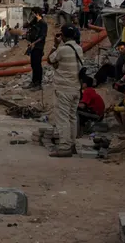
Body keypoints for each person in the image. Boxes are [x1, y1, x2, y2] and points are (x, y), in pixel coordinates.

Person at [47, 24, 84, 157]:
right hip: (76, 88)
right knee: (72, 117)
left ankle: (64, 147)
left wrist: (55, 45)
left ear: (62, 36)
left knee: (62, 118)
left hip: (63, 89)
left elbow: (50, 59)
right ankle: (72, 144)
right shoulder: (79, 49)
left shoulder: (62, 50)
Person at [26, 7, 48, 90]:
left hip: (38, 46)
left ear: (37, 13)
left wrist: (34, 43)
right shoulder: (35, 22)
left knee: (37, 65)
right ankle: (33, 82)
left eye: (32, 13)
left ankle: (38, 83)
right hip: (32, 46)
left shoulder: (43, 23)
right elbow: (26, 26)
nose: (32, 15)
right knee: (33, 64)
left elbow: (43, 36)